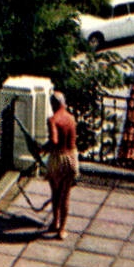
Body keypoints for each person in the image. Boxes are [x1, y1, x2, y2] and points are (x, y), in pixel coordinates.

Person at [44, 91, 79, 238]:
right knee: (66, 196)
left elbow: (54, 141)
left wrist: (42, 148)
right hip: (71, 158)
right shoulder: (71, 118)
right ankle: (62, 229)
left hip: (58, 159)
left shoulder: (53, 120)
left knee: (55, 193)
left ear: (53, 104)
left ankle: (55, 222)